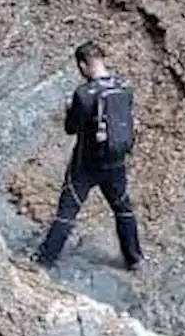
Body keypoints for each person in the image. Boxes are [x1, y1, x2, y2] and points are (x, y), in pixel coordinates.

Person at [35, 41, 143, 271]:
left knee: (66, 213)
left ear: (83, 65)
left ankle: (43, 262)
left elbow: (71, 128)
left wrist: (69, 110)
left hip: (86, 165)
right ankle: (135, 259)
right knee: (123, 210)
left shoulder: (84, 94)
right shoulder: (125, 86)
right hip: (116, 163)